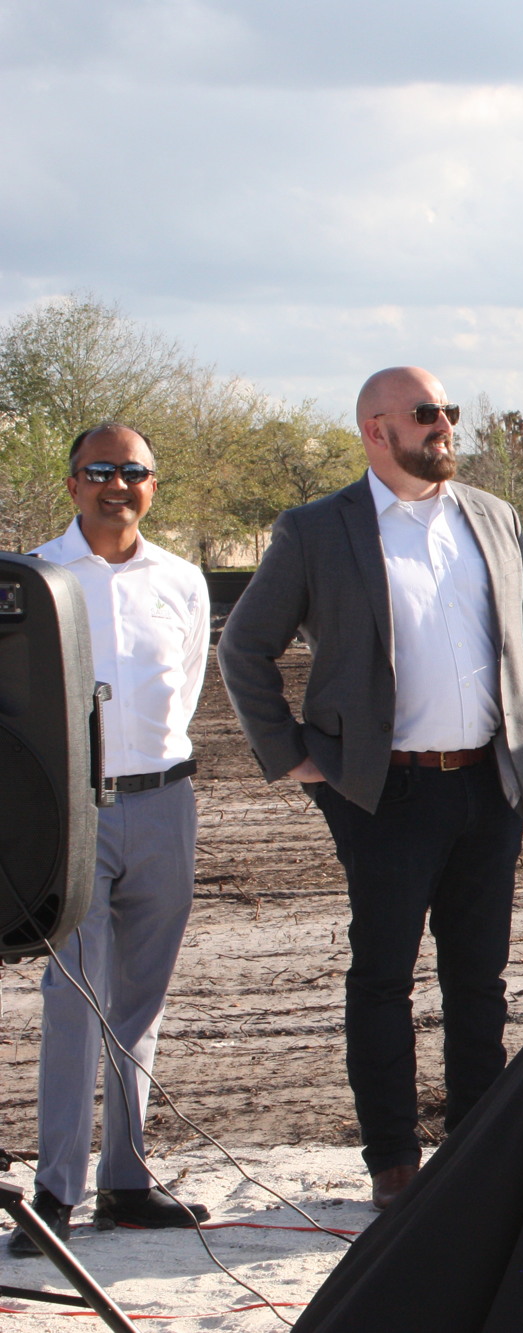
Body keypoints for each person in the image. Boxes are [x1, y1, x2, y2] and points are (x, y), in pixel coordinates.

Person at [218, 367, 523, 1211]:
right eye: (426, 414)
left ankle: (477, 1152)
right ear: (377, 429)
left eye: (448, 413)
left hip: (489, 785)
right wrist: (296, 757)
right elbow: (243, 649)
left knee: (479, 981)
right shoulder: (317, 531)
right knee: (383, 980)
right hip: (384, 794)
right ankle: (394, 1164)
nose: (444, 427)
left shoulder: (494, 516)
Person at [11, 425, 212, 1257]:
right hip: (71, 813)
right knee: (73, 1001)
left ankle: (129, 1181)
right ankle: (57, 1190)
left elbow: (191, 682)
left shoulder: (184, 580)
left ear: (153, 487)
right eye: (101, 471)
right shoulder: (34, 579)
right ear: (72, 483)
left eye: (133, 472)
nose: (117, 485)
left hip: (165, 802)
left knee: (141, 1001)